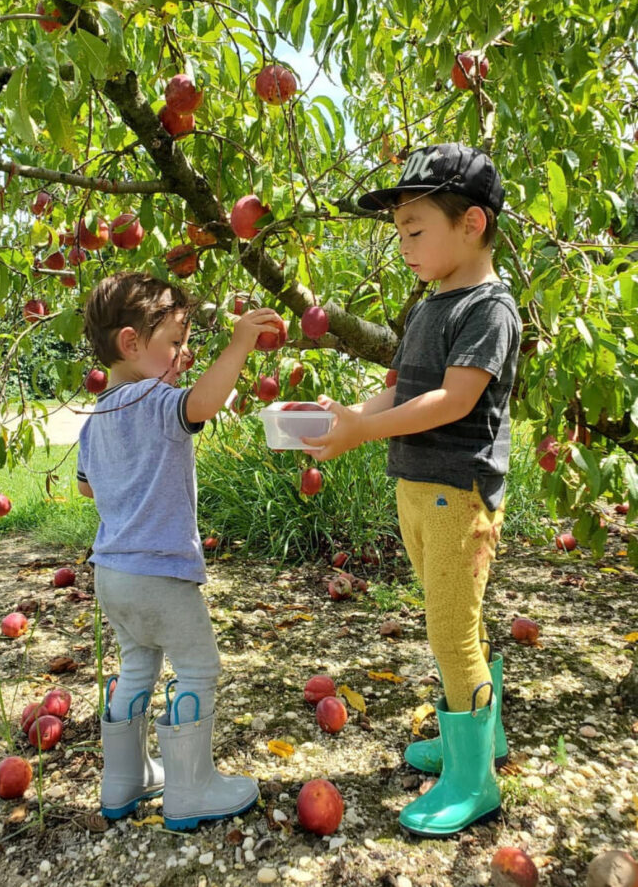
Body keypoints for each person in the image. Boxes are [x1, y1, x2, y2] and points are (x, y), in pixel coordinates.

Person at [303, 143, 522, 837]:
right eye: (398, 232)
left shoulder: (489, 309)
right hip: (418, 490)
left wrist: (363, 434)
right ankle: (482, 737)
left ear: (472, 224)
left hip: (459, 494)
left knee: (450, 631)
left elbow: (456, 401)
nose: (404, 244)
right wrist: (350, 417)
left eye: (415, 229)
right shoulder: (431, 307)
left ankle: (473, 779)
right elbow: (401, 387)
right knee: (452, 619)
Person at [77, 270, 281, 831]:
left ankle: (123, 781)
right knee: (197, 667)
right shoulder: (156, 398)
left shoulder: (98, 415)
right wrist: (239, 343)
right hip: (162, 573)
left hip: (112, 575)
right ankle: (191, 791)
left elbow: (86, 486)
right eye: (174, 342)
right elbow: (201, 404)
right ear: (131, 343)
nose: (184, 354)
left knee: (137, 665)